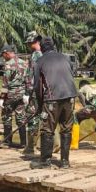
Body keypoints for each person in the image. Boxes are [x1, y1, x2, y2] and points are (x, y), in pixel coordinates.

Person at [30, 37, 78, 169]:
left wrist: (39, 105)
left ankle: (45, 162)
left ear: (42, 48)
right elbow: (71, 75)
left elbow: (37, 86)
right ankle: (65, 162)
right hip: (70, 97)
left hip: (52, 98)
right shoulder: (65, 58)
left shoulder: (39, 61)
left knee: (47, 129)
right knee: (66, 129)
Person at [0, 44, 29, 148]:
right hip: (21, 94)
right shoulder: (24, 63)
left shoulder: (8, 65)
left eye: (3, 55)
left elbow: (5, 83)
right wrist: (26, 94)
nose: (3, 57)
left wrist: (2, 98)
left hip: (11, 95)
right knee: (21, 118)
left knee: (6, 117)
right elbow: (28, 80)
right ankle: (23, 143)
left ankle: (8, 142)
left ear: (7, 53)